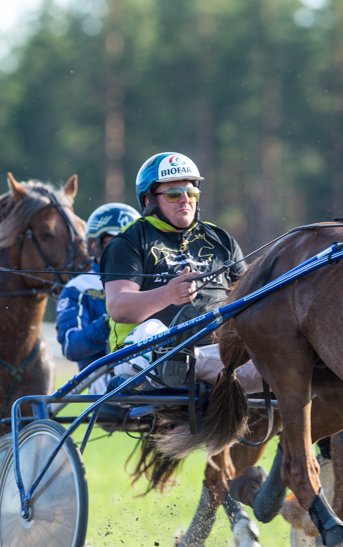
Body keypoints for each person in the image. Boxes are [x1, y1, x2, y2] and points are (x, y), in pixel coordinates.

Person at [99, 152, 262, 391]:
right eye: (174, 194)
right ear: (148, 201)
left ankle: (190, 362)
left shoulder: (222, 240)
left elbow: (251, 300)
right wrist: (167, 294)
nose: (185, 200)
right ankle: (180, 360)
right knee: (153, 331)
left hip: (218, 352)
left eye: (192, 193)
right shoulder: (129, 242)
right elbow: (119, 309)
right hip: (140, 357)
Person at [56, 202, 140, 394]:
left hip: (149, 367)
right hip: (101, 377)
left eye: (133, 243)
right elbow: (71, 346)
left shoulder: (148, 282)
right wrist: (112, 321)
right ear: (94, 244)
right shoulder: (79, 287)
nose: (127, 251)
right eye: (118, 242)